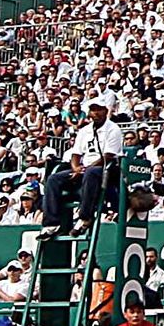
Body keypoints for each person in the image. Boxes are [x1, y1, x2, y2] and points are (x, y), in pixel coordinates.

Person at [45, 96, 124, 235]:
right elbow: (75, 154)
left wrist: (84, 169)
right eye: (93, 110)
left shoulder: (114, 129)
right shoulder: (84, 130)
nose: (96, 113)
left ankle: (85, 217)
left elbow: (108, 156)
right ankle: (51, 223)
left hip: (108, 170)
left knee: (91, 172)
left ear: (106, 111)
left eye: (99, 109)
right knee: (53, 179)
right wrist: (76, 168)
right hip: (86, 170)